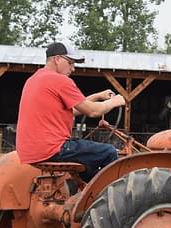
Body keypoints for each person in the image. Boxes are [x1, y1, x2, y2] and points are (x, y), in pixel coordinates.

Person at [16, 42, 126, 181]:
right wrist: (116, 101)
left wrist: (97, 96)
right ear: (57, 59)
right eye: (70, 63)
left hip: (31, 152)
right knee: (109, 152)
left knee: (89, 161)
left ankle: (86, 193)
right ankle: (102, 196)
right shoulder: (60, 80)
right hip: (54, 149)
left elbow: (71, 109)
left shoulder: (35, 79)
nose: (73, 68)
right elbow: (93, 112)